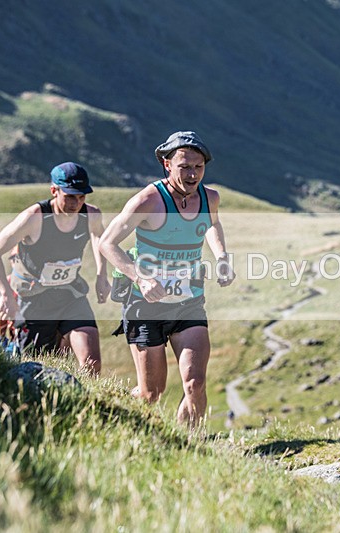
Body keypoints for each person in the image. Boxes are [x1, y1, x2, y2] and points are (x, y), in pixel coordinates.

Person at [99, 131, 234, 428]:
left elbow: (211, 224)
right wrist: (141, 277)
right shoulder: (149, 199)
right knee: (151, 393)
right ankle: (113, 417)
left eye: (198, 167)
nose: (192, 174)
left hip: (189, 303)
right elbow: (107, 243)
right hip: (146, 305)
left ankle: (191, 446)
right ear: (166, 164)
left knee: (195, 384)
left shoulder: (209, 197)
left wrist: (222, 256)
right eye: (184, 166)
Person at [0, 162, 110, 374]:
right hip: (33, 299)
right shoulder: (35, 217)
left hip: (70, 295)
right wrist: (6, 294)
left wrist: (101, 274)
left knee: (91, 362)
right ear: (54, 191)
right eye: (69, 196)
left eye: (81, 196)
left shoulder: (91, 215)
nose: (76, 203)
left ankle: (85, 404)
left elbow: (99, 238)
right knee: (35, 369)